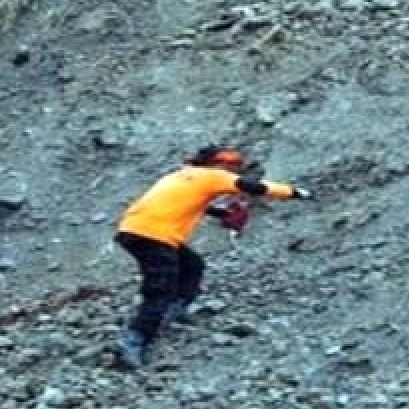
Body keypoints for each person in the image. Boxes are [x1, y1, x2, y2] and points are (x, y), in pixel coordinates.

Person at [112, 146, 313, 369]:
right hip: (156, 236)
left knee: (192, 265)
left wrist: (223, 213)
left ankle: (175, 311)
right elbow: (255, 188)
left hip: (132, 230)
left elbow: (189, 203)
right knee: (160, 289)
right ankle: (134, 340)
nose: (233, 170)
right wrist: (294, 192)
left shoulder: (181, 175)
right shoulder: (212, 176)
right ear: (218, 163)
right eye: (231, 165)